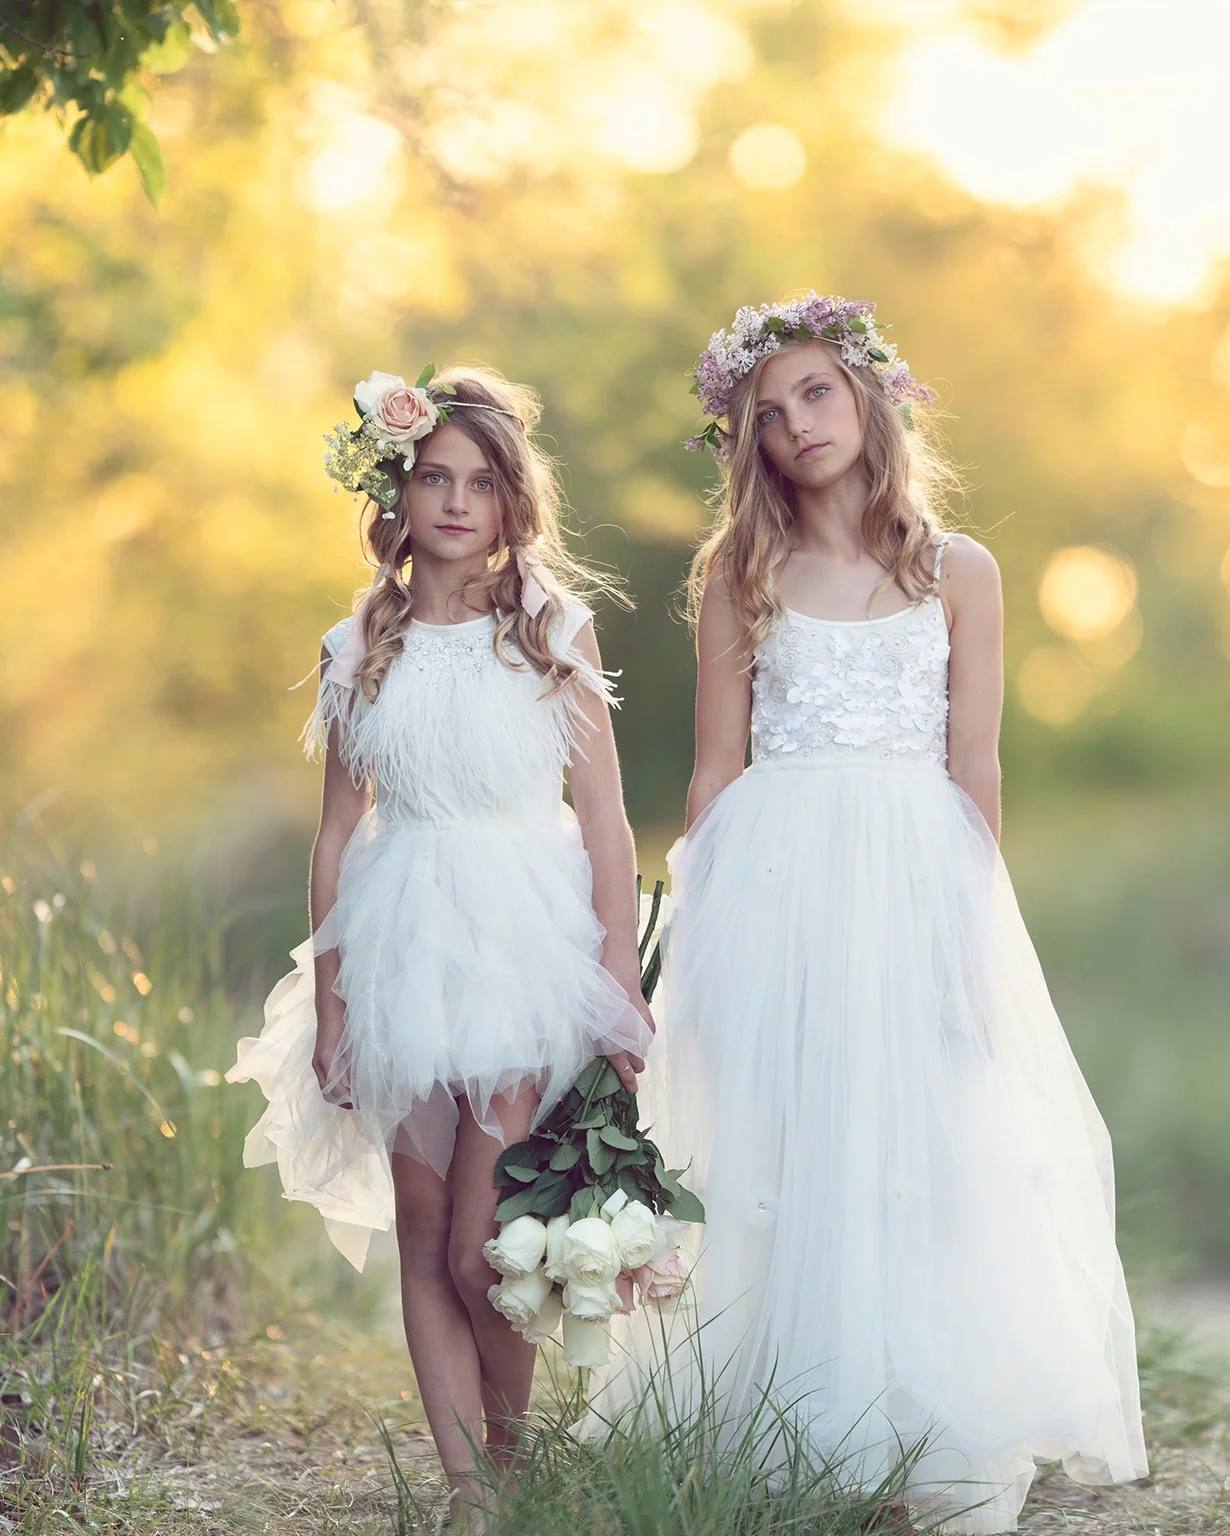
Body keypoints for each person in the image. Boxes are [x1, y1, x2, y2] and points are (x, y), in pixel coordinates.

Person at [613, 294, 1146, 1532]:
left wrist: (970, 939)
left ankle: (917, 1428)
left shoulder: (957, 571)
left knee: (918, 1150)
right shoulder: (737, 576)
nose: (797, 424)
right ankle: (789, 1428)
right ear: (745, 441)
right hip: (774, 882)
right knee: (780, 1146)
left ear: (868, 400)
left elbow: (977, 767)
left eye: (816, 393)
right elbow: (712, 771)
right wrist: (687, 941)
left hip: (912, 882)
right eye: (768, 411)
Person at [227, 364, 654, 1534]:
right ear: (397, 496)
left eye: (480, 483)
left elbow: (605, 814)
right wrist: (331, 1001)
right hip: (401, 933)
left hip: (524, 934)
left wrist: (616, 969)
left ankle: (518, 1467)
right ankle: (471, 1496)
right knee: (424, 1237)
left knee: (487, 1244)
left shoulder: (552, 631)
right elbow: (334, 831)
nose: (456, 503)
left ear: (514, 503)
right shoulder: (357, 641)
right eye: (431, 478)